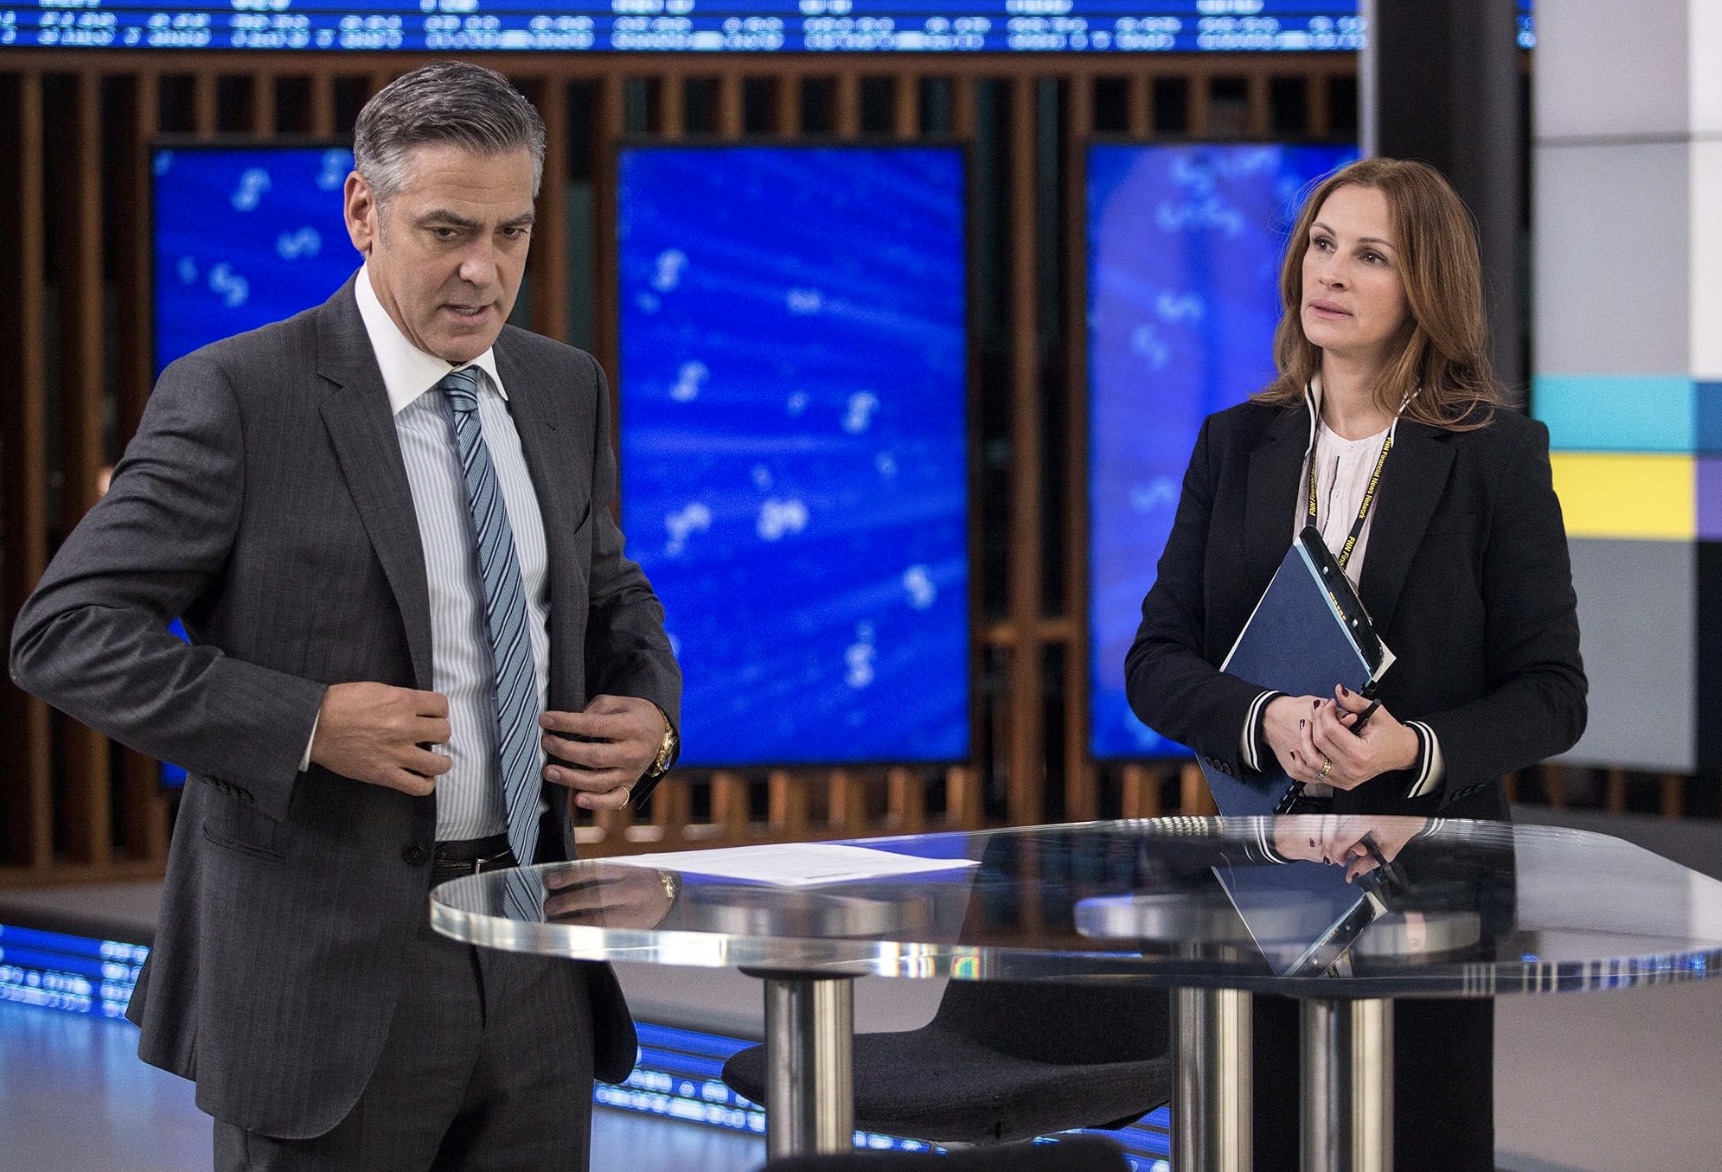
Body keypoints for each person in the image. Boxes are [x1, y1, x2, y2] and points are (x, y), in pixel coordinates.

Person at [10, 61, 681, 1171]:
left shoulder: (567, 388)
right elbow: (65, 631)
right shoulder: (239, 394)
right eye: (448, 229)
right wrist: (310, 722)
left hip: (534, 952)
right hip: (328, 971)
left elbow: (612, 590)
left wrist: (650, 715)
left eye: (512, 232)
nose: (484, 270)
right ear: (364, 213)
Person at [1124, 157, 1587, 1171]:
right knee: (1260, 1140)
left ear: (1425, 284)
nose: (1329, 272)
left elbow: (1553, 692)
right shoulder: (1234, 444)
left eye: (1369, 254)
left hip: (1429, 880)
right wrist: (1269, 718)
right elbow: (1157, 659)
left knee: (1416, 1143)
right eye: (1321, 245)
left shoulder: (1496, 456)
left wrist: (1411, 750)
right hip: (1256, 874)